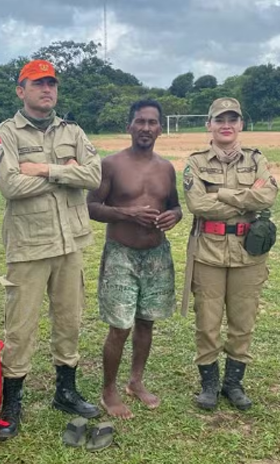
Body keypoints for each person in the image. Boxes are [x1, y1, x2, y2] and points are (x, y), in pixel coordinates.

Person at [0, 59, 102, 440]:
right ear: (20, 91)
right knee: (20, 327)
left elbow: (94, 176)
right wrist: (67, 172)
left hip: (70, 243)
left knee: (69, 319)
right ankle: (12, 400)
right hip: (28, 245)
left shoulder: (73, 130)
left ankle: (65, 391)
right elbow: (10, 186)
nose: (46, 89)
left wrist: (43, 169)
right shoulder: (6, 132)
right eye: (37, 84)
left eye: (51, 83)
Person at [87, 99, 181, 419]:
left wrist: (174, 216)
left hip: (157, 254)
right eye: (140, 121)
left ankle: (136, 381)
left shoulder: (166, 168)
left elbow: (176, 206)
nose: (146, 127)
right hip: (121, 254)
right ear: (129, 126)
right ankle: (109, 390)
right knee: (119, 326)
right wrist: (127, 213)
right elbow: (91, 207)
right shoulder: (111, 164)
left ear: (160, 128)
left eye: (152, 122)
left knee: (146, 321)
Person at [182, 97, 277, 412]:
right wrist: (245, 199)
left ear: (241, 124)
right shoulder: (196, 162)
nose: (226, 125)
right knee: (207, 322)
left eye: (232, 119)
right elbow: (197, 204)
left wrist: (220, 194)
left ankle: (234, 383)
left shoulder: (256, 160)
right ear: (208, 125)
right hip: (208, 251)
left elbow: (267, 196)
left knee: (243, 321)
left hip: (248, 253)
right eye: (219, 120)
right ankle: (209, 385)